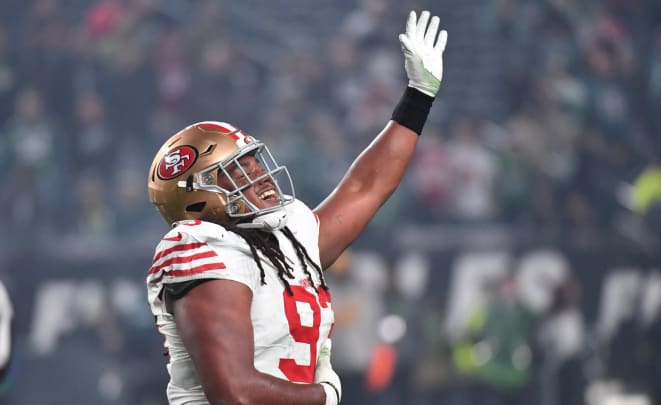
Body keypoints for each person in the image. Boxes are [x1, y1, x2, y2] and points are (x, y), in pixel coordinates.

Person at [146, 10, 447, 405]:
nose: (261, 175)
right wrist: (324, 396)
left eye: (255, 160)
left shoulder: (284, 240)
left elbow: (365, 187)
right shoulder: (197, 245)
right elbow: (235, 394)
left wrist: (417, 97)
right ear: (198, 197)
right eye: (239, 169)